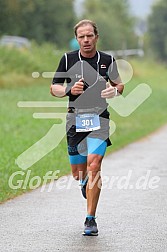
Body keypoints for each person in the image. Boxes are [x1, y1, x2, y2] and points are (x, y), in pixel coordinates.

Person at [50, 19, 124, 236]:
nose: (85, 40)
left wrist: (115, 91)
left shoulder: (107, 60)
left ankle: (90, 219)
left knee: (95, 165)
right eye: (81, 36)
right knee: (78, 172)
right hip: (75, 120)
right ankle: (83, 182)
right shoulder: (68, 59)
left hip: (100, 118)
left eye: (89, 35)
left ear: (96, 37)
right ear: (77, 39)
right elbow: (54, 87)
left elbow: (119, 84)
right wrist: (68, 90)